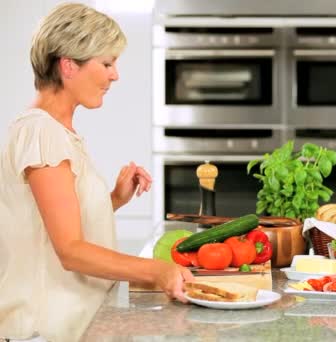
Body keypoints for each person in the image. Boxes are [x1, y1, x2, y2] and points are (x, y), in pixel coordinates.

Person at [0, 3, 194, 341]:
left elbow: (49, 227)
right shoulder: (40, 132)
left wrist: (114, 200)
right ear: (68, 66)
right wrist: (158, 270)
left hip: (73, 327)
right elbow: (70, 250)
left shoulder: (56, 133)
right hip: (44, 331)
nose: (114, 75)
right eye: (106, 63)